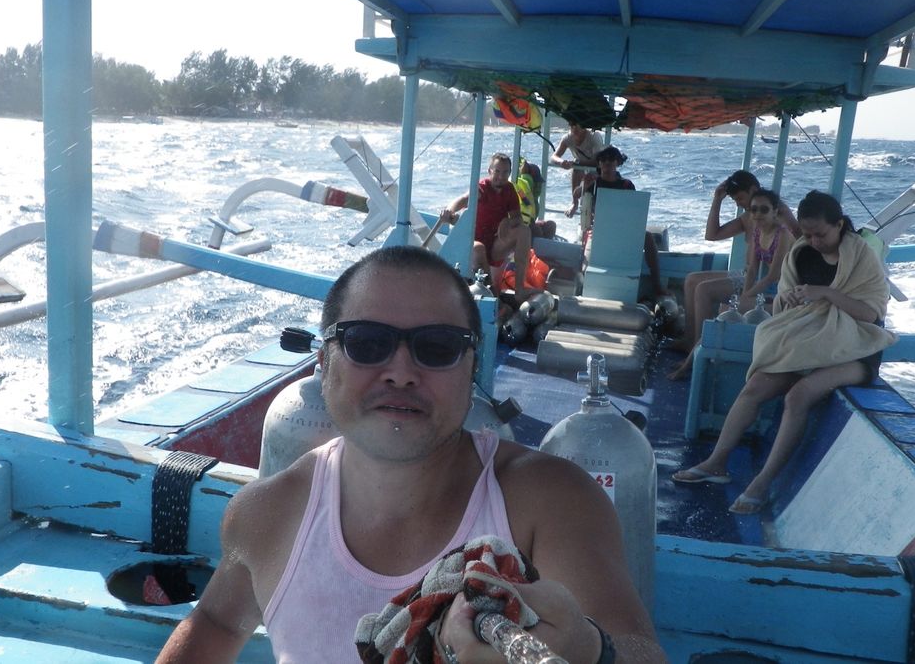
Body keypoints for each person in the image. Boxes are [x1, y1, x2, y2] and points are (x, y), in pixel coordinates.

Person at [156, 246, 665, 663]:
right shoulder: (265, 514)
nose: (400, 372)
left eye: (437, 347)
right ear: (324, 362)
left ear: (472, 367)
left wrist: (588, 651)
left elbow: (638, 651)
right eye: (366, 343)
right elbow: (218, 622)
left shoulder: (549, 503)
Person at [671, 191, 896, 515]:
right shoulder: (801, 254)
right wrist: (787, 300)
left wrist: (825, 293)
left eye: (821, 234)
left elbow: (870, 315)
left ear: (840, 225)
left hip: (856, 348)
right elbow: (783, 307)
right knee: (754, 388)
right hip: (808, 342)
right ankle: (716, 462)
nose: (814, 241)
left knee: (798, 396)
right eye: (808, 234)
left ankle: (761, 484)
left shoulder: (863, 257)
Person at [668, 188, 793, 380]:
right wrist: (746, 294)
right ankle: (694, 358)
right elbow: (752, 270)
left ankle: (692, 363)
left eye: (764, 210)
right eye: (754, 209)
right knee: (725, 308)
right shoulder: (758, 232)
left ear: (775, 211)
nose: (758, 214)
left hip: (782, 292)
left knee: (725, 311)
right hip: (765, 288)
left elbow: (772, 276)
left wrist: (746, 297)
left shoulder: (782, 234)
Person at [576, 145, 667, 299]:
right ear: (599, 163)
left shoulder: (627, 185)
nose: (607, 163)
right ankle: (581, 288)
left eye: (611, 159)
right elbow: (576, 195)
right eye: (603, 160)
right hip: (599, 231)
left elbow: (635, 212)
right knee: (585, 263)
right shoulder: (593, 183)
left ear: (617, 162)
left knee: (647, 237)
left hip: (623, 230)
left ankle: (657, 285)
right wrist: (584, 186)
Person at [439, 153, 532, 298]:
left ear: (509, 173)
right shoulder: (481, 188)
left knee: (524, 231)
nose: (501, 176)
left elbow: (517, 219)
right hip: (474, 243)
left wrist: (508, 222)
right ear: (489, 171)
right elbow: (461, 200)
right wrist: (449, 211)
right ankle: (493, 296)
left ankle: (520, 289)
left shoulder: (509, 190)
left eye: (505, 172)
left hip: (494, 244)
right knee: (479, 248)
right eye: (497, 171)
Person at [549, 120, 605, 217]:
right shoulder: (567, 138)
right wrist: (561, 162)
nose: (575, 129)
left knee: (579, 168)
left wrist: (577, 163)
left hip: (597, 170)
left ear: (584, 127)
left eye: (578, 126)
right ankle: (574, 203)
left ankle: (593, 212)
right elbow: (554, 157)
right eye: (572, 126)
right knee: (576, 169)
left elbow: (598, 162)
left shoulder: (594, 136)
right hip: (580, 170)